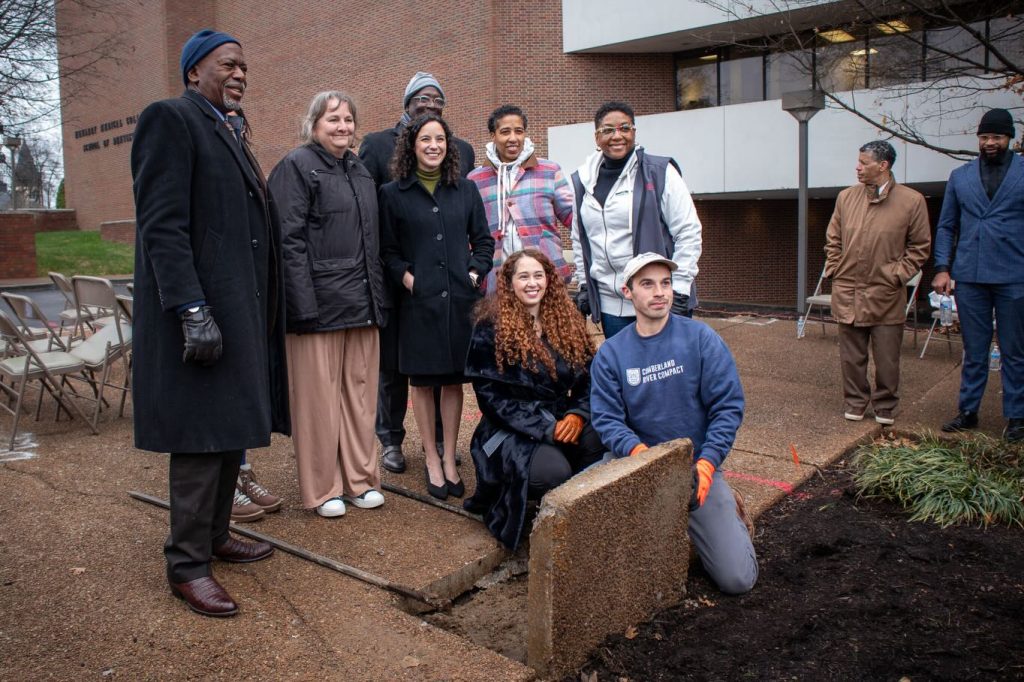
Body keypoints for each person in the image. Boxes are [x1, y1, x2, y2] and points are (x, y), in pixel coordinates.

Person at [130, 29, 290, 617]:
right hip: (199, 313)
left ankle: (216, 535)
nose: (240, 74)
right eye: (228, 64)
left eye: (245, 66)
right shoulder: (169, 119)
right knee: (200, 439)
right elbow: (162, 228)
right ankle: (187, 564)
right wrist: (190, 310)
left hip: (237, 310)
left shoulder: (230, 130)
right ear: (193, 71)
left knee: (229, 431)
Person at [590, 253, 757, 595]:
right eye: (647, 284)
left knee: (738, 580)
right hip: (637, 463)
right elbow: (607, 419)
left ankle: (731, 510)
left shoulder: (700, 339)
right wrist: (640, 455)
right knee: (583, 524)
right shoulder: (611, 354)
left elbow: (727, 408)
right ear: (627, 291)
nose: (659, 292)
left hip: (696, 469)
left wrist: (709, 463)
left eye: (665, 283)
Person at [267, 91, 386, 518]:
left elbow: (371, 242)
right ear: (314, 123)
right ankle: (322, 488)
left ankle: (361, 479)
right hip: (317, 308)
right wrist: (302, 307)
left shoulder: (359, 170)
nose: (343, 126)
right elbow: (288, 242)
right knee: (318, 403)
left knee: (358, 397)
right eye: (333, 119)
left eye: (349, 119)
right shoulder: (296, 167)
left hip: (362, 304)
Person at [360, 72, 475, 475]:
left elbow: (470, 220)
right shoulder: (375, 146)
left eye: (436, 99)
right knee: (394, 366)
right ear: (407, 103)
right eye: (421, 98)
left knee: (443, 365)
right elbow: (371, 215)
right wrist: (402, 275)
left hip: (448, 282)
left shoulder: (461, 149)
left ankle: (443, 441)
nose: (429, 104)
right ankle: (391, 439)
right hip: (399, 278)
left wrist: (472, 275)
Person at [379, 113, 494, 500]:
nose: (434, 146)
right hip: (419, 305)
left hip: (461, 301)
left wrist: (476, 273)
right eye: (426, 139)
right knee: (424, 383)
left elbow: (483, 241)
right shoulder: (393, 194)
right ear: (412, 146)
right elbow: (388, 252)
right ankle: (430, 456)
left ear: (449, 147)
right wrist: (409, 279)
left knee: (451, 381)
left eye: (440, 139)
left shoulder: (465, 190)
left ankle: (449, 457)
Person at [463, 250, 605, 549]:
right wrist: (546, 429)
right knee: (554, 473)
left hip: (560, 415)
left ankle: (583, 513)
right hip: (510, 428)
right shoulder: (490, 328)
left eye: (538, 275)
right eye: (523, 276)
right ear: (509, 283)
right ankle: (547, 514)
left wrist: (578, 414)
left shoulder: (566, 320)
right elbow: (492, 400)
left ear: (549, 280)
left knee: (599, 438)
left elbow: (590, 380)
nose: (532, 283)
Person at [570, 101, 702, 338]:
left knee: (667, 371)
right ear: (596, 136)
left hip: (658, 299)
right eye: (608, 130)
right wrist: (583, 285)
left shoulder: (659, 172)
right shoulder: (582, 181)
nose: (617, 136)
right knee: (626, 372)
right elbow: (580, 239)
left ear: (634, 131)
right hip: (612, 306)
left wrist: (680, 288)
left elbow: (688, 232)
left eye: (624, 128)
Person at [824, 140, 931, 425]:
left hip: (886, 291)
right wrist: (836, 268)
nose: (857, 168)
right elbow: (833, 239)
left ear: (883, 165)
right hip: (848, 289)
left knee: (887, 358)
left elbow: (920, 246)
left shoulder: (912, 201)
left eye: (863, 162)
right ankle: (855, 402)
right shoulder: (846, 197)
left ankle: (885, 405)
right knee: (851, 356)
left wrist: (897, 275)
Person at [933, 108, 1024, 442]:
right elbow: (947, 226)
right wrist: (942, 267)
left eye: (996, 137)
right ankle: (968, 411)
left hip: (1015, 274)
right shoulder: (961, 176)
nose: (989, 143)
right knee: (974, 348)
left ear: (1009, 138)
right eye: (984, 137)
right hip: (970, 275)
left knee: (1015, 350)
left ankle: (1017, 416)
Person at [468, 105, 574, 291]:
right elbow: (468, 231)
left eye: (519, 131)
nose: (513, 138)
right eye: (505, 132)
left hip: (544, 277)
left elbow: (575, 219)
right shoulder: (476, 180)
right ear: (493, 136)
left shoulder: (550, 171)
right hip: (496, 281)